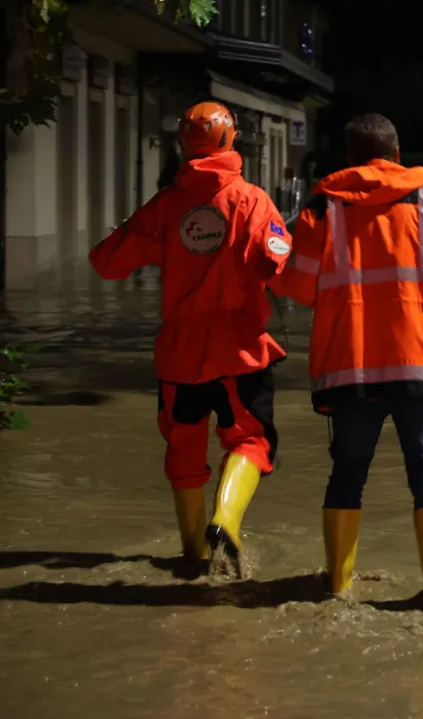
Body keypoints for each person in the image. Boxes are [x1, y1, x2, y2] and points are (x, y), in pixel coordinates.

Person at [276, 114, 423, 613]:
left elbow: (301, 286)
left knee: (348, 472)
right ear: (396, 151)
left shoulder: (323, 206)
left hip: (350, 366)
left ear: (349, 156)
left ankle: (337, 590)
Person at [89, 101, 288, 575]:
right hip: (240, 350)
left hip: (179, 355)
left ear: (184, 143)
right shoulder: (252, 200)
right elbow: (277, 261)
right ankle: (226, 520)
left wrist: (135, 238)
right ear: (231, 139)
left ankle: (194, 558)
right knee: (251, 441)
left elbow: (107, 263)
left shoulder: (165, 205)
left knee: (183, 452)